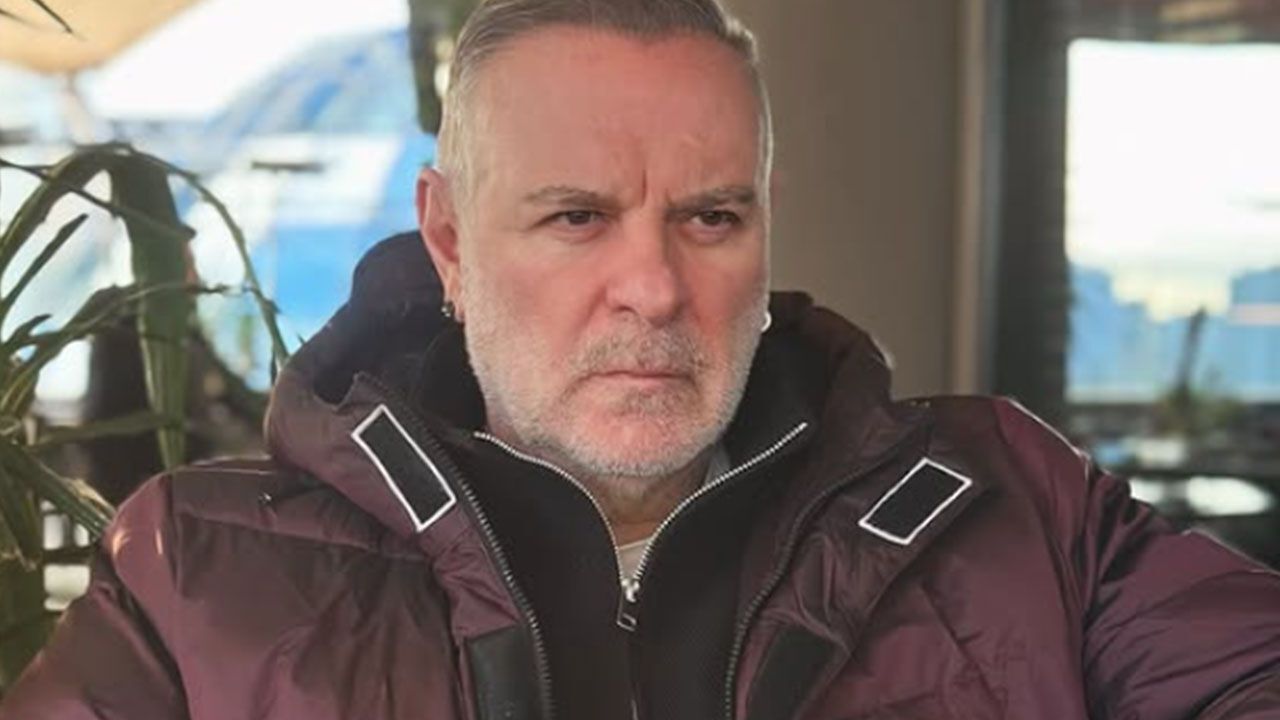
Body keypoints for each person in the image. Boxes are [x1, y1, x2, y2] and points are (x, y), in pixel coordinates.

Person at [5, 0, 1280, 718]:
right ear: (448, 241)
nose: (657, 286)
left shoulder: (1013, 503)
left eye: (709, 218)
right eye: (576, 217)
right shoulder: (196, 571)